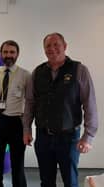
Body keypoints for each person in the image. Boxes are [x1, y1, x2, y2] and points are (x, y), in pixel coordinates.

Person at [23, 32, 98, 187]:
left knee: (70, 181)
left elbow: (89, 104)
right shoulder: (37, 73)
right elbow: (30, 103)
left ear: (65, 46)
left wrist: (88, 136)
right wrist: (26, 129)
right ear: (44, 50)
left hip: (69, 138)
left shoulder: (79, 70)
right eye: (48, 46)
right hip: (43, 136)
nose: (52, 48)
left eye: (56, 44)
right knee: (46, 181)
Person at [0, 40, 30, 187]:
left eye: (12, 52)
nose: (9, 55)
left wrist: (27, 128)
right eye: (5, 52)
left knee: (17, 163)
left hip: (16, 123)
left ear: (17, 54)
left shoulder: (25, 75)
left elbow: (30, 101)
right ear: (1, 54)